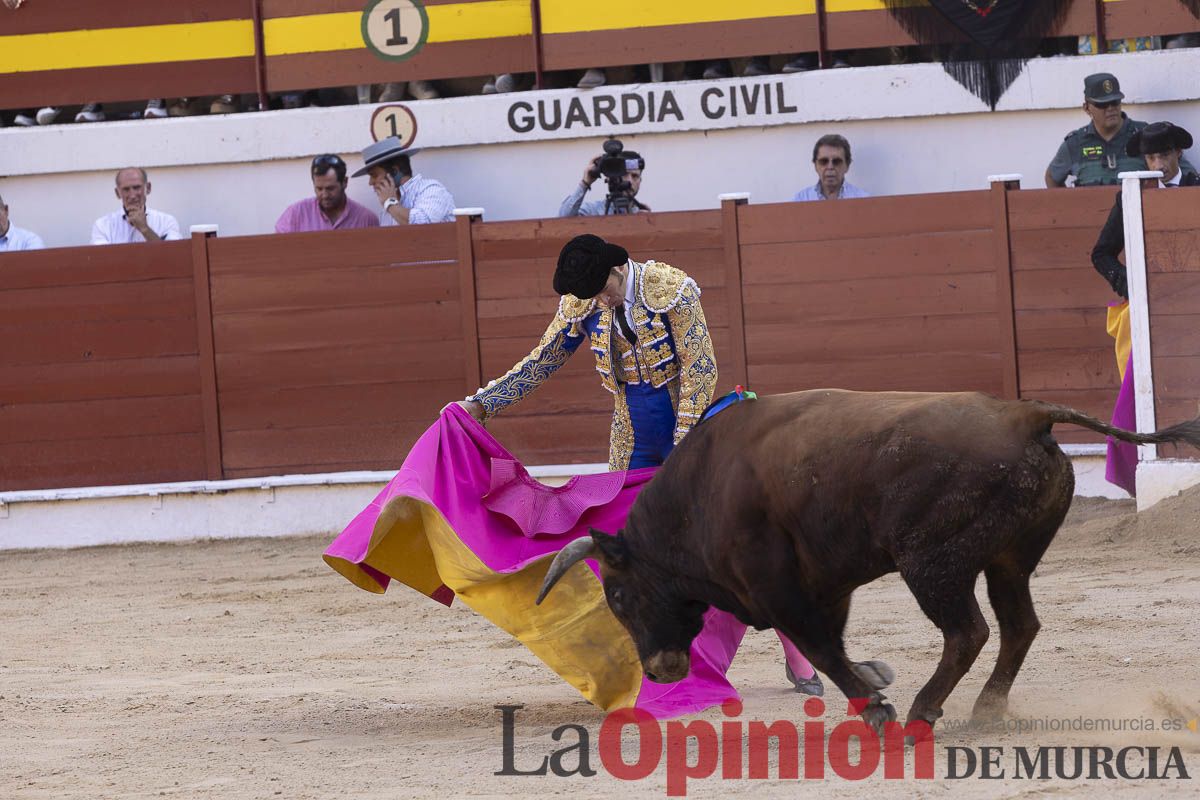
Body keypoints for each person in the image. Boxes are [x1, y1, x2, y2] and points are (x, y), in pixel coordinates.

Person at [455, 233, 823, 695]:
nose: (601, 302)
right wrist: (483, 403)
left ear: (617, 270)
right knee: (623, 554)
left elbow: (700, 369)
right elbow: (543, 360)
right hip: (632, 438)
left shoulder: (671, 289)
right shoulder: (584, 302)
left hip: (690, 430)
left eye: (604, 291)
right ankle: (647, 661)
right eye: (592, 296)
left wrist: (685, 448)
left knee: (736, 542)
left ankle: (796, 650)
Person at [1091, 121, 1198, 299]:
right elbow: (1101, 254)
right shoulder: (1131, 198)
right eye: (1151, 158)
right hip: (1154, 298)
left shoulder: (1195, 188)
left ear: (1178, 152)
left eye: (1165, 155)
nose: (1158, 165)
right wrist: (1131, 286)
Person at [1045, 73, 1194, 188]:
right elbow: (1052, 177)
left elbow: (1186, 175)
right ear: (1087, 108)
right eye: (1102, 104)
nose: (1111, 108)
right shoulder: (1075, 143)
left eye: (1115, 102)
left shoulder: (1144, 135)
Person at [353, 136, 456, 226]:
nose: (370, 182)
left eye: (374, 175)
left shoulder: (431, 190)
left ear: (394, 172)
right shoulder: (386, 210)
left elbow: (422, 226)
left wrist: (390, 203)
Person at [275, 154, 379, 233]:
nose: (324, 195)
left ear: (345, 182)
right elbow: (279, 251)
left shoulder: (367, 220)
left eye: (330, 188)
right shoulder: (295, 214)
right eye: (319, 189)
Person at [90, 167, 182, 245]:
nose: (132, 195)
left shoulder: (166, 222)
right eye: (126, 189)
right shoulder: (103, 225)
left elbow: (172, 255)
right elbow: (102, 258)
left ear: (148, 188)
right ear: (117, 193)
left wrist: (145, 229)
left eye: (137, 187)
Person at [559, 144, 649, 217]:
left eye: (635, 176)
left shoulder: (642, 213)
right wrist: (585, 183)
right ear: (611, 176)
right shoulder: (594, 211)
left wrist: (647, 222)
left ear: (640, 181)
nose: (630, 181)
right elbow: (563, 219)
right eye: (624, 174)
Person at [793, 134, 870, 201]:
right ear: (815, 165)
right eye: (824, 161)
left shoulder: (863, 199)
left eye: (837, 161)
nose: (830, 167)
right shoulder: (800, 200)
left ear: (847, 165)